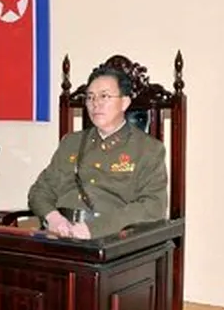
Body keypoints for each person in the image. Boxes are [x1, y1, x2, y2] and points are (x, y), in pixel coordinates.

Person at [27, 65, 168, 239]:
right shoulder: (71, 142)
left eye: (104, 96)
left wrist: (95, 229)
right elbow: (40, 191)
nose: (95, 104)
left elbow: (153, 206)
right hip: (61, 235)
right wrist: (53, 218)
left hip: (111, 239)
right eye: (90, 97)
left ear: (125, 102)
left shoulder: (148, 149)